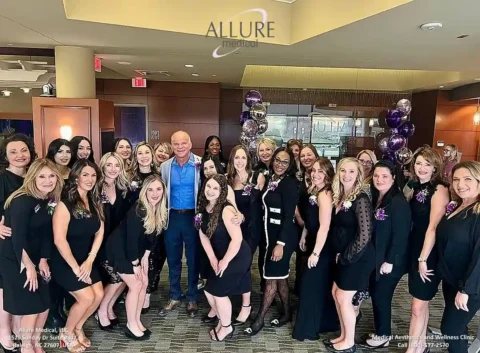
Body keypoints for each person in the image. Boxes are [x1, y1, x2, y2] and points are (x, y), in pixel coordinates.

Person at [1, 159, 63, 353]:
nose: (48, 180)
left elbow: (46, 232)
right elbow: (17, 239)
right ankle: (26, 346)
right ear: (32, 177)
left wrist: (43, 259)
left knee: (44, 304)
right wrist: (28, 267)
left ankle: (35, 342)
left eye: (52, 176)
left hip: (36, 257)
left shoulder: (50, 199)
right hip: (15, 259)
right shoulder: (22, 200)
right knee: (31, 306)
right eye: (42, 176)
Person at [50, 159, 105, 353]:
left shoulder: (94, 201)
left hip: (85, 260)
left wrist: (90, 260)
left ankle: (77, 327)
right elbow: (59, 240)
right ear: (75, 177)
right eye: (85, 175)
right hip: (65, 262)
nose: (90, 179)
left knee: (99, 295)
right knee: (86, 298)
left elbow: (100, 231)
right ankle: (66, 332)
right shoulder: (64, 205)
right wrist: (75, 267)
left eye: (93, 175)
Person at [244, 148, 299, 336]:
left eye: (284, 162)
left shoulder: (290, 184)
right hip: (269, 235)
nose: (279, 164)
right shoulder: (271, 179)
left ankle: (260, 319)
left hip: (281, 238)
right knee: (280, 276)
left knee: (270, 278)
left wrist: (280, 244)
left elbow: (289, 216)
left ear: (290, 164)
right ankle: (287, 312)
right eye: (277, 160)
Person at [106, 174, 167, 340]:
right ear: (144, 192)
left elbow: (153, 236)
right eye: (150, 190)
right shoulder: (138, 209)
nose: (155, 193)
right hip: (120, 250)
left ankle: (137, 320)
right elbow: (131, 240)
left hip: (136, 251)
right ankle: (130, 324)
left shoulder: (158, 208)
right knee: (136, 284)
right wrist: (136, 264)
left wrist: (146, 258)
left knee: (144, 283)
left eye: (158, 189)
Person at [324, 157, 375, 353]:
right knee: (336, 294)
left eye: (352, 171)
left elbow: (365, 235)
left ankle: (350, 342)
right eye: (343, 170)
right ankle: (344, 335)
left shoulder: (360, 199)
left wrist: (346, 257)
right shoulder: (341, 195)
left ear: (359, 175)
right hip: (343, 255)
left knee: (344, 299)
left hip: (357, 257)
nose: (346, 175)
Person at [361, 161, 411, 349]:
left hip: (392, 261)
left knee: (381, 295)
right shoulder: (377, 197)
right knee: (377, 294)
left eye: (384, 176)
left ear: (393, 178)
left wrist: (390, 261)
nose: (379, 179)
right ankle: (381, 330)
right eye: (376, 176)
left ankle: (383, 335)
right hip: (378, 257)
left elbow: (401, 235)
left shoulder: (398, 202)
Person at [404, 147, 449, 353]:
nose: (422, 168)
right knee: (422, 303)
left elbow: (433, 227)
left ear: (435, 167)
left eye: (427, 164)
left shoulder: (439, 189)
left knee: (416, 307)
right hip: (415, 249)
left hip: (428, 253)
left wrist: (423, 259)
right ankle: (420, 345)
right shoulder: (413, 186)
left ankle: (411, 350)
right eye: (419, 163)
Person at [196, 174, 252, 341]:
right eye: (208, 187)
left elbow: (237, 239)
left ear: (222, 191)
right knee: (208, 290)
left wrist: (224, 261)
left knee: (219, 292)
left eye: (215, 188)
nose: (210, 191)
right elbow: (203, 236)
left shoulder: (226, 209)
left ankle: (226, 328)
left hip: (236, 256)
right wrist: (213, 258)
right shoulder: (203, 207)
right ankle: (222, 320)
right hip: (220, 255)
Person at [293, 157, 339, 341]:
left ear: (328, 174)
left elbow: (325, 226)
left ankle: (310, 328)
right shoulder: (315, 190)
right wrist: (304, 234)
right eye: (314, 171)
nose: (316, 174)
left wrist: (315, 253)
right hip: (313, 240)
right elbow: (311, 219)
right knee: (314, 287)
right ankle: (319, 324)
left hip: (322, 247)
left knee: (311, 287)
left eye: (321, 171)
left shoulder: (325, 194)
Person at [437, 161, 480, 353]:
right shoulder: (461, 206)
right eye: (456, 179)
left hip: (470, 285)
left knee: (450, 329)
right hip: (453, 280)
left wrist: (466, 289)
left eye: (467, 179)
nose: (460, 184)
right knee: (457, 328)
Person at [159, 131, 201, 317]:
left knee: (193, 259)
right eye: (176, 143)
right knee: (173, 258)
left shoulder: (200, 164)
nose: (180, 146)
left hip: (193, 217)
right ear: (172, 145)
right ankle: (175, 294)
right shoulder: (165, 166)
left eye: (184, 143)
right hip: (173, 217)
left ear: (190, 143)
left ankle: (192, 296)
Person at [0, 133, 35, 352]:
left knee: (17, 289)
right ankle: (4, 331)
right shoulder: (2, 178)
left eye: (23, 150)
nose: (19, 155)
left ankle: (15, 327)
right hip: (7, 241)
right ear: (5, 156)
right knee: (5, 288)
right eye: (13, 152)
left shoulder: (33, 177)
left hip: (29, 241)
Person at [95, 152, 130, 330]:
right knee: (117, 277)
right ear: (102, 166)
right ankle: (102, 310)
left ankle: (108, 307)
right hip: (99, 242)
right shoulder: (95, 187)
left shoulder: (123, 188)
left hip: (118, 242)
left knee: (124, 278)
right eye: (109, 165)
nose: (113, 169)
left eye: (117, 165)